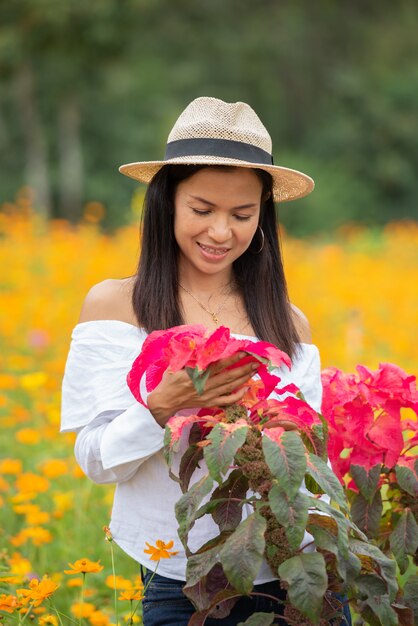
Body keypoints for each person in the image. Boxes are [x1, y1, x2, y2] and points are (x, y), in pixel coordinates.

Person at [61, 97, 351, 625]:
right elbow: (97, 460)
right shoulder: (114, 306)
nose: (222, 232)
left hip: (302, 578)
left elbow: (311, 460)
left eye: (242, 215)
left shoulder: (288, 322)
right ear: (166, 203)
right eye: (202, 210)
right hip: (183, 584)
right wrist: (161, 408)